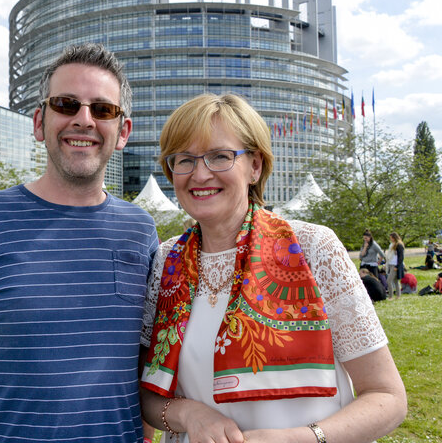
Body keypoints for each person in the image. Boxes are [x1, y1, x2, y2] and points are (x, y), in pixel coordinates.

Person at [0, 43, 159, 443]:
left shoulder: (141, 230)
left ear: (122, 133)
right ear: (38, 123)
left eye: (102, 109)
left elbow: (144, 359)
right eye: (66, 104)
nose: (84, 120)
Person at [140, 94, 406, 443]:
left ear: (255, 166)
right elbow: (146, 393)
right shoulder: (165, 261)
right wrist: (189, 414)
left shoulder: (313, 247)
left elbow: (388, 397)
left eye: (220, 156)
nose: (200, 174)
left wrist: (303, 438)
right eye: (184, 160)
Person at [386, 232, 405, 299]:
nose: (390, 239)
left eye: (391, 238)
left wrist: (397, 266)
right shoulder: (392, 244)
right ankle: (398, 295)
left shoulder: (399, 245)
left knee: (389, 280)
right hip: (391, 263)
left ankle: (390, 296)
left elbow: (401, 257)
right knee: (395, 281)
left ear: (394, 238)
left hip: (395, 265)